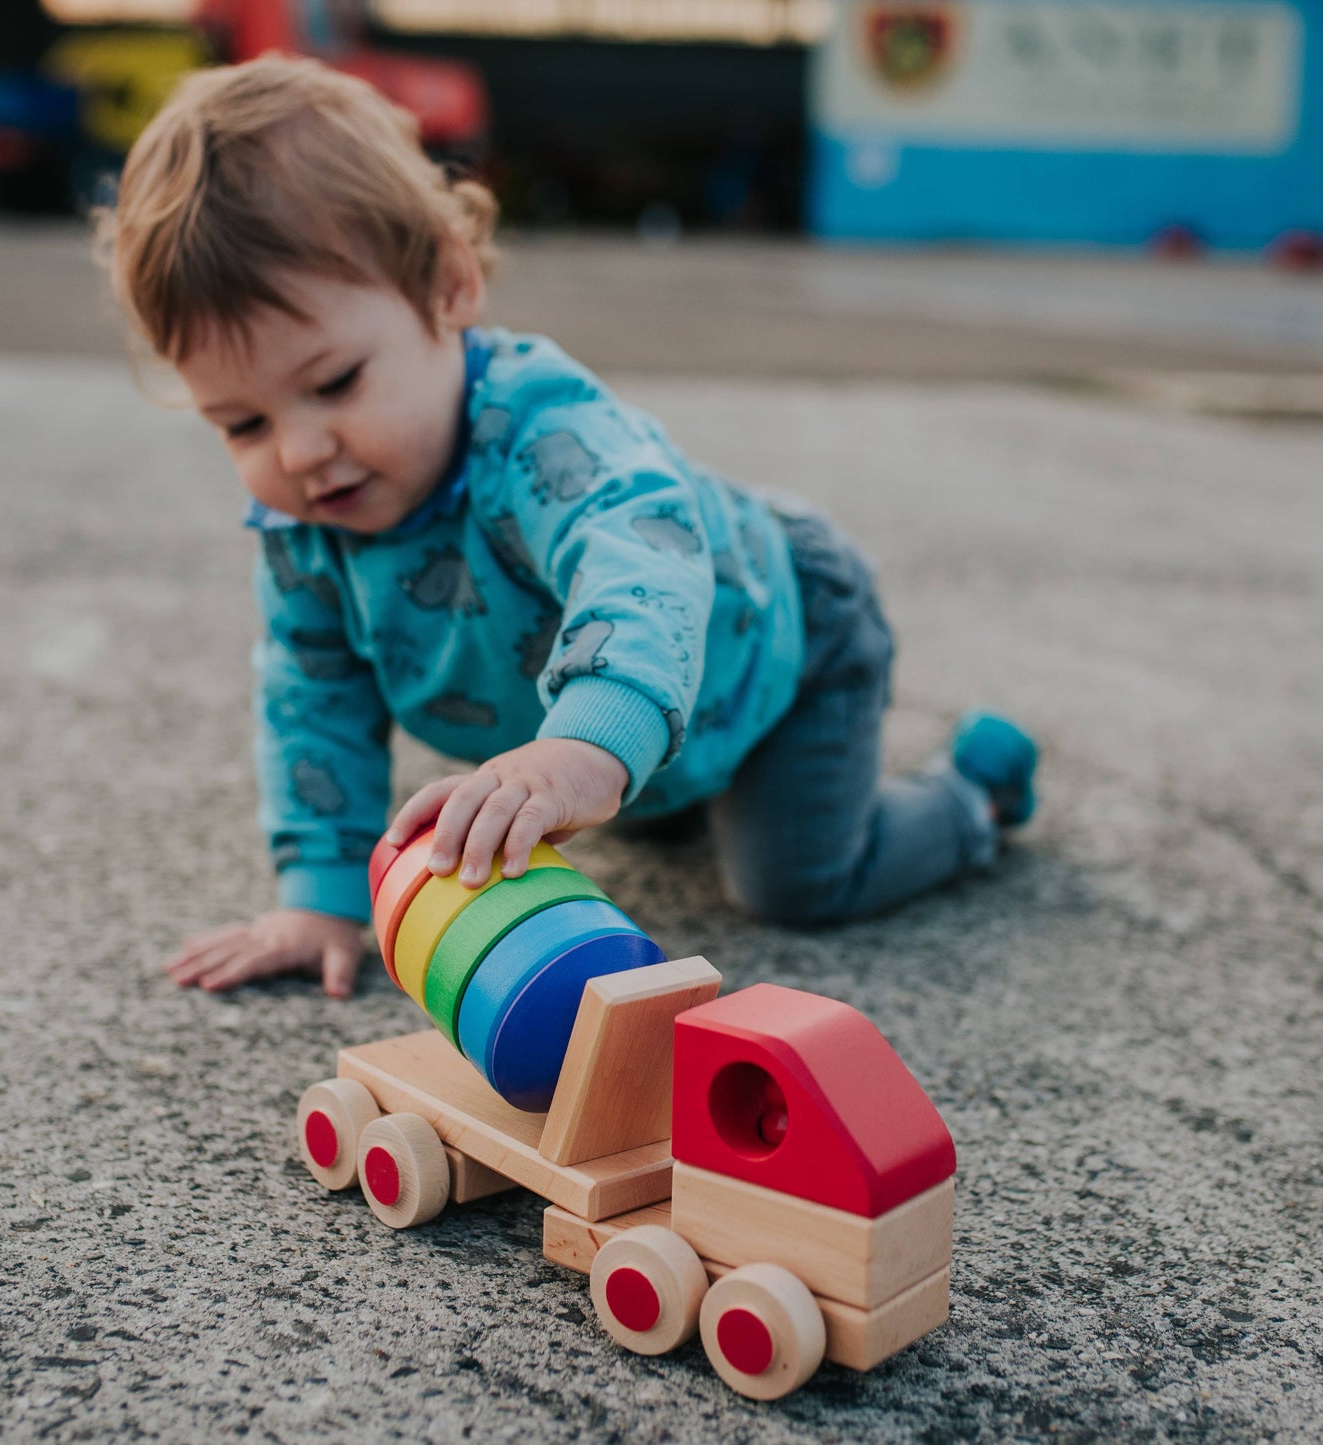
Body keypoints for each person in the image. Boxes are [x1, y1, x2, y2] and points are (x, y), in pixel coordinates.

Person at [100, 55, 1039, 1000]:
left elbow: (640, 561)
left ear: (449, 286)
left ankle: (973, 795)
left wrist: (583, 747)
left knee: (796, 883)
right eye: (243, 424)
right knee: (620, 796)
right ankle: (646, 769)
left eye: (335, 382)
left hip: (781, 646)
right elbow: (313, 691)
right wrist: (319, 897)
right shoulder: (305, 524)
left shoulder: (542, 433)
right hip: (658, 711)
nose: (300, 452)